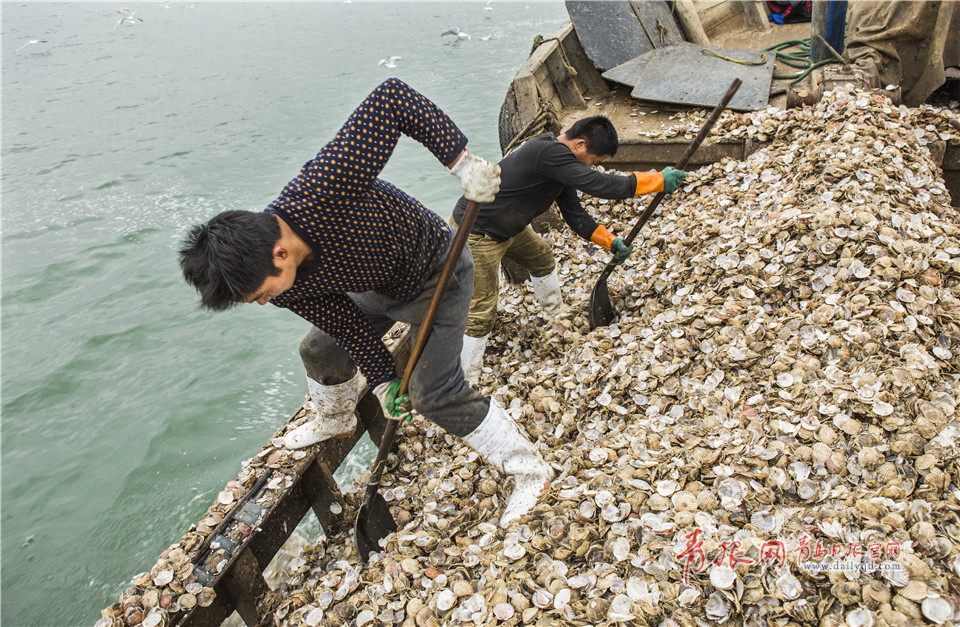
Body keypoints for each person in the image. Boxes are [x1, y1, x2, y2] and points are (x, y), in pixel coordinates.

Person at [179, 79, 552, 528]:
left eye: (260, 294)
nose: (262, 303)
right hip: (373, 287)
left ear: (277, 253)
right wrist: (379, 380)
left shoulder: (322, 189)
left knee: (433, 394)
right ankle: (334, 419)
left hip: (437, 272)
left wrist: (462, 162)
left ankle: (530, 470)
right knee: (317, 351)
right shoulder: (283, 283)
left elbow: (392, 98)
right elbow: (345, 323)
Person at [451, 115, 687, 383]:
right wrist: (656, 180)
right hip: (475, 233)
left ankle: (555, 317)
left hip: (507, 228)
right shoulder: (549, 152)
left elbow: (575, 215)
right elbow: (600, 185)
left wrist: (611, 242)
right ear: (580, 144)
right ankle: (467, 379)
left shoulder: (559, 166)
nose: (592, 167)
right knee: (482, 309)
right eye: (594, 161)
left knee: (542, 258)